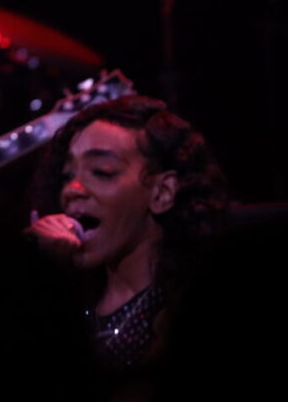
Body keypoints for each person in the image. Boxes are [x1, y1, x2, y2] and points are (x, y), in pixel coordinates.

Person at [24, 94, 228, 393]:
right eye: (68, 175)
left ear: (162, 193)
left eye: (102, 172)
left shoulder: (188, 308)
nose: (72, 189)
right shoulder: (72, 296)